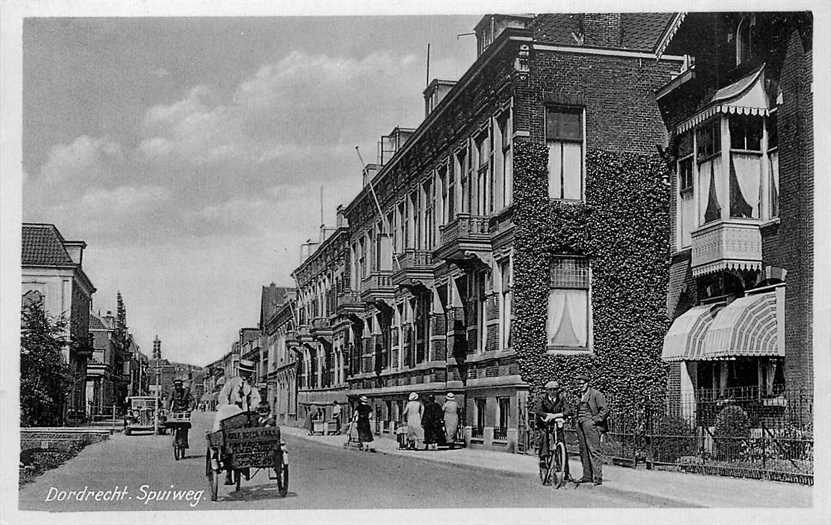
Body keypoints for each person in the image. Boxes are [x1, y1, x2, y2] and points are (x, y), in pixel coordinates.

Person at [573, 374, 608, 486]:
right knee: (583, 450)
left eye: (583, 383)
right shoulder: (579, 395)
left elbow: (604, 410)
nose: (581, 386)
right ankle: (587, 476)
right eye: (579, 384)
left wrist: (594, 421)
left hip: (591, 425)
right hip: (580, 424)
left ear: (588, 383)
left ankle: (597, 477)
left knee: (594, 450)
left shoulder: (596, 394)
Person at [534, 380, 572, 483]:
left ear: (558, 390)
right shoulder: (542, 398)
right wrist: (547, 416)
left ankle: (566, 472)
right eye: (550, 390)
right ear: (547, 391)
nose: (553, 392)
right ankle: (543, 459)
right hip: (544, 423)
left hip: (556, 421)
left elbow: (568, 411)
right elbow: (538, 411)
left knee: (561, 442)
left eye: (555, 389)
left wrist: (555, 416)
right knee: (544, 437)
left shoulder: (561, 399)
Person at [167, 378, 194, 449]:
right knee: (173, 423)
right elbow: (169, 400)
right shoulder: (172, 391)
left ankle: (185, 442)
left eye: (179, 385)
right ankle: (174, 437)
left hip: (185, 411)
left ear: (181, 385)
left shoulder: (186, 391)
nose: (178, 387)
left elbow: (192, 400)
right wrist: (167, 409)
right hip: (176, 411)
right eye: (176, 385)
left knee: (185, 426)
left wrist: (190, 408)